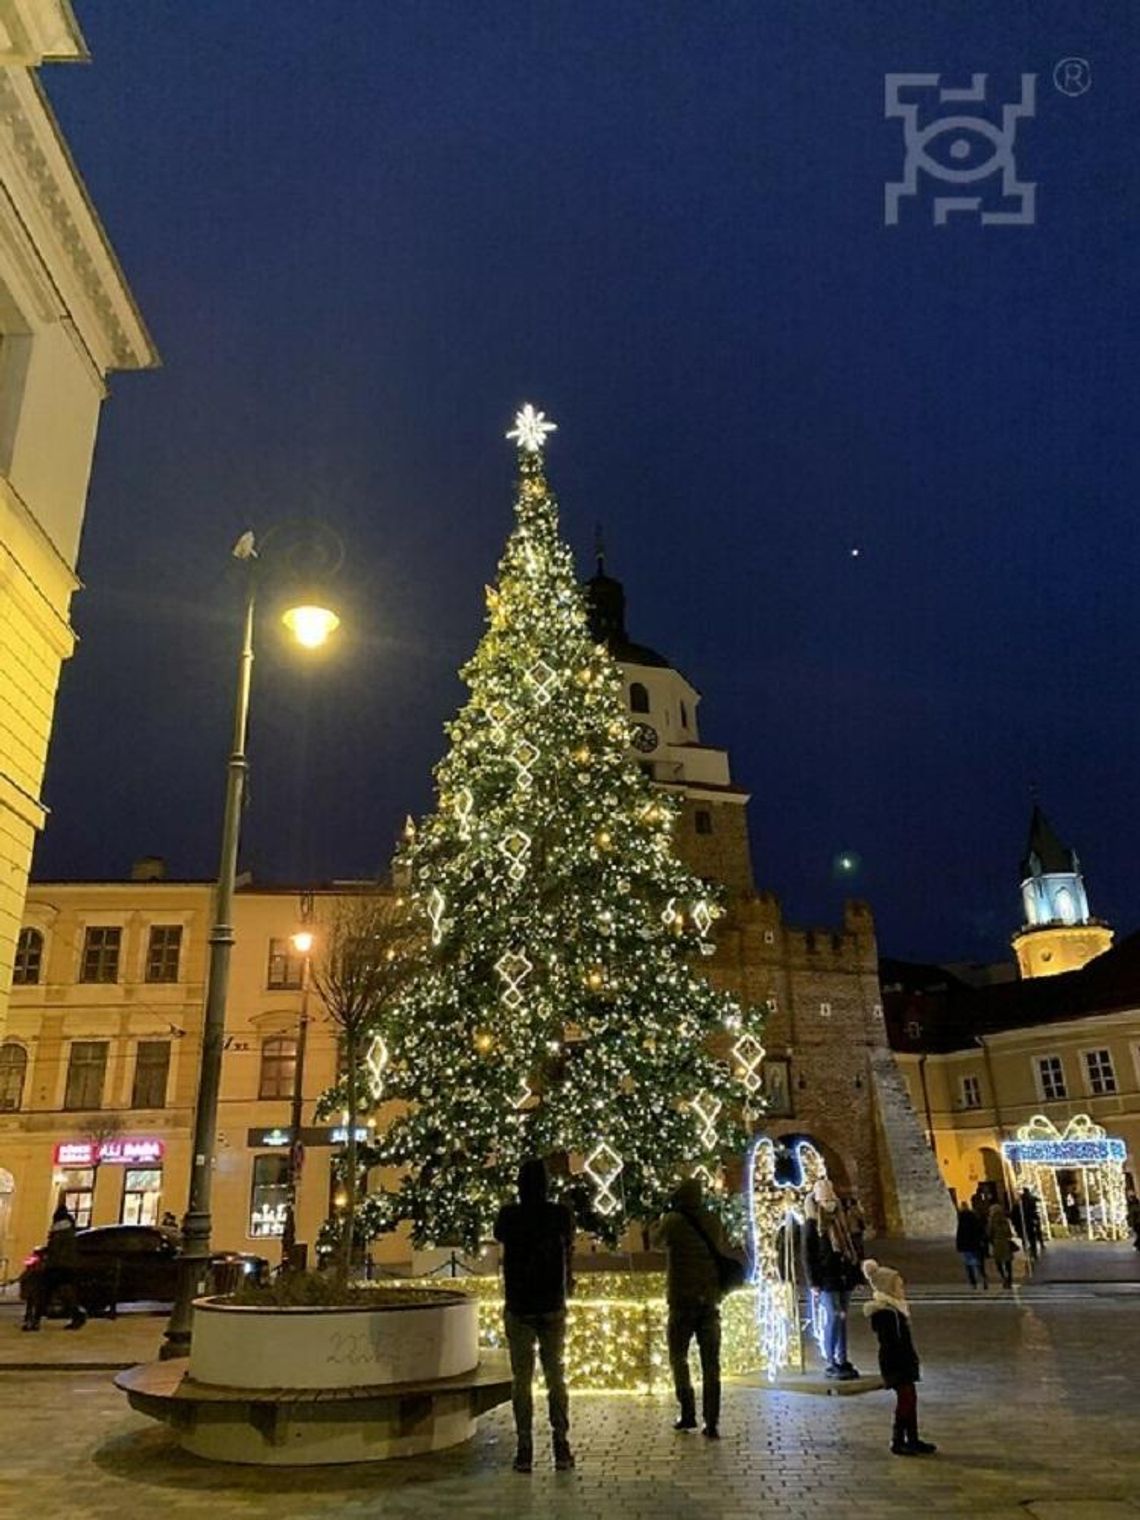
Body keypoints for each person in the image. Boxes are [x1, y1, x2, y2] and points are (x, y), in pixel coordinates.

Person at [493, 1157, 575, 1473]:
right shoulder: (558, 1215)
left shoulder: (509, 1216)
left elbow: (500, 1235)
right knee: (556, 1376)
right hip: (552, 1304)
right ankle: (561, 1443)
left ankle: (524, 1447)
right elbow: (568, 1241)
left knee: (522, 1380)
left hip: (519, 1305)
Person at [653, 1176, 741, 1439]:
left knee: (678, 1357)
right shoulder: (712, 1220)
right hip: (710, 1300)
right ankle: (711, 1421)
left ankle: (688, 1410)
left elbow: (657, 1241)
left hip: (681, 1301)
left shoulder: (672, 1221)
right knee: (711, 1365)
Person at [862, 1258, 936, 1456]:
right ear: (888, 1288)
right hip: (896, 1362)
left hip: (903, 1361)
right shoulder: (887, 1313)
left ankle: (912, 1438)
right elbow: (892, 1343)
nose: (902, 1289)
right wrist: (905, 1362)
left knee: (910, 1399)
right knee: (906, 1400)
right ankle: (898, 1440)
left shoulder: (896, 1310)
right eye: (898, 1286)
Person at [802, 1178, 863, 1379]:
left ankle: (842, 1358)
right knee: (834, 1314)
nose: (827, 1195)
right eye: (822, 1192)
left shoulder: (842, 1216)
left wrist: (857, 1272)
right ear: (816, 1196)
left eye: (829, 1191)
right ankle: (831, 1359)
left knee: (842, 1317)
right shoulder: (812, 1222)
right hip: (826, 1276)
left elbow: (853, 1243)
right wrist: (813, 1282)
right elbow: (807, 1254)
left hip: (844, 1272)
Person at [27, 1203, 86, 1331]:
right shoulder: (70, 1231)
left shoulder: (58, 1232)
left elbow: (54, 1250)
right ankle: (77, 1315)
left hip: (56, 1266)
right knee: (65, 1292)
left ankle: (35, 1320)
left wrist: (44, 1253)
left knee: (44, 1292)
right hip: (68, 1266)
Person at [955, 1204, 988, 1289]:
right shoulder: (975, 1220)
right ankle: (983, 1278)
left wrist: (959, 1247)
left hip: (966, 1246)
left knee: (969, 1265)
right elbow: (981, 1232)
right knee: (979, 1264)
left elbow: (959, 1235)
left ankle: (973, 1283)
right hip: (976, 1245)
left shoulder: (961, 1222)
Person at [988, 1202, 1015, 1289]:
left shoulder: (991, 1221)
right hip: (1005, 1243)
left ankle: (1004, 1277)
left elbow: (989, 1233)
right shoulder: (1005, 1220)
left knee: (998, 1262)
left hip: (997, 1243)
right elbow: (1009, 1233)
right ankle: (1009, 1278)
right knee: (1008, 1262)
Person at [1020, 1189, 1044, 1257]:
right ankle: (1039, 1245)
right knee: (1037, 1231)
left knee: (1029, 1235)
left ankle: (1030, 1249)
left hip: (1026, 1218)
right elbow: (1038, 1200)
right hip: (1033, 1216)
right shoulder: (1031, 1197)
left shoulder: (1022, 1199)